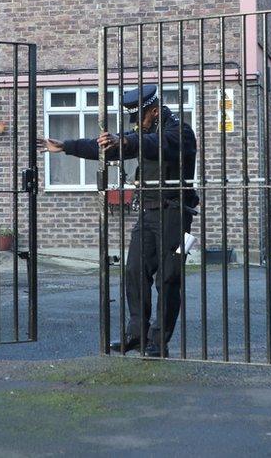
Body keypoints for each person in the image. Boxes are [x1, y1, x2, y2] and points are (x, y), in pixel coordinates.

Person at [36, 84, 198, 357]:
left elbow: (158, 145)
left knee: (168, 280)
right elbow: (107, 148)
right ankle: (136, 335)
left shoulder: (179, 132)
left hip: (173, 213)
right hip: (147, 213)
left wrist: (128, 141)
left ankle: (158, 343)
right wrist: (66, 147)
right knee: (134, 272)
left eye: (141, 117)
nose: (136, 125)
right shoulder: (141, 135)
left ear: (155, 111)